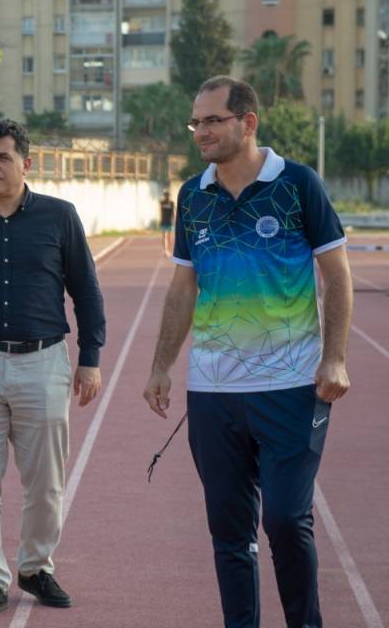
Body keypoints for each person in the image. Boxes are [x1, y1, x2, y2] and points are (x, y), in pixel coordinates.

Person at [143, 76, 351, 628]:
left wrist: (334, 357)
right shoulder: (193, 195)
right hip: (213, 392)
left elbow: (336, 274)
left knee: (285, 519)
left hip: (290, 385)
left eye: (212, 120)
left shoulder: (297, 185)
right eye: (196, 122)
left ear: (248, 122)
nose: (200, 131)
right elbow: (184, 286)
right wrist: (162, 365)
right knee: (229, 534)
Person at [0, 118, 106, 620]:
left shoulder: (60, 217)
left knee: (46, 481)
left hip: (44, 361)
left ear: (26, 163)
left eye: (2, 157)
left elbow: (87, 290)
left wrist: (91, 359)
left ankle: (34, 567)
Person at [159, 190, 176, 257]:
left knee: (169, 237)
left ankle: (169, 249)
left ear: (169, 196)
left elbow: (173, 212)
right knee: (164, 236)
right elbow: (159, 211)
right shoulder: (162, 203)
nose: (166, 196)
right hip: (163, 221)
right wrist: (159, 219)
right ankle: (165, 250)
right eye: (165, 195)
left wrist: (174, 220)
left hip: (169, 221)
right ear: (164, 196)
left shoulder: (171, 203)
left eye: (167, 195)